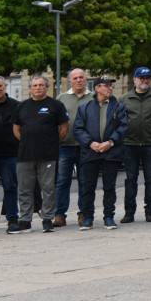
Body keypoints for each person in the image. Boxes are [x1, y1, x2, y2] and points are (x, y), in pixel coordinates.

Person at [9, 76, 69, 234]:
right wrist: (27, 140)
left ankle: (48, 219)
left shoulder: (56, 105)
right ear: (30, 88)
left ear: (46, 87)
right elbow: (16, 129)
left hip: (48, 154)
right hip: (25, 155)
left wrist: (53, 142)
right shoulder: (22, 106)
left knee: (48, 188)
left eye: (41, 85)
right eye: (34, 85)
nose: (37, 88)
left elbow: (64, 128)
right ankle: (25, 220)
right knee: (24, 189)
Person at [73, 77, 128, 231]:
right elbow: (78, 129)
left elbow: (123, 127)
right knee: (88, 187)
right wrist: (91, 143)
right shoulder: (85, 108)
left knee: (109, 186)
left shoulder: (118, 107)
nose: (110, 88)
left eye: (111, 85)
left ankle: (109, 217)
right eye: (106, 85)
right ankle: (87, 217)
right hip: (90, 152)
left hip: (111, 152)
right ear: (97, 88)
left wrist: (110, 142)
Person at [119, 67, 151, 223]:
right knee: (130, 179)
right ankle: (129, 212)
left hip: (150, 143)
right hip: (130, 144)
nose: (145, 80)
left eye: (148, 78)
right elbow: (118, 120)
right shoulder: (125, 98)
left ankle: (150, 211)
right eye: (142, 78)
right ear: (135, 80)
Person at [54, 68, 92, 227]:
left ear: (85, 79)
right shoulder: (61, 98)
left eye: (81, 77)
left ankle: (83, 214)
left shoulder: (93, 97)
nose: (78, 80)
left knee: (84, 181)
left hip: (86, 147)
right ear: (69, 81)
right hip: (65, 146)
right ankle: (59, 214)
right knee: (62, 181)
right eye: (75, 78)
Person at [0, 76, 20, 231]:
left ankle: (12, 217)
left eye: (0, 86)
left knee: (10, 187)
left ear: (5, 86)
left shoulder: (16, 105)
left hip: (9, 154)